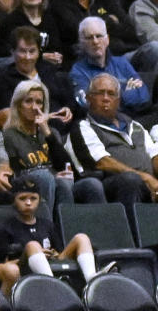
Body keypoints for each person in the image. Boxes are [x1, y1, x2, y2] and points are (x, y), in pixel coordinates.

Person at [68, 72, 158, 217]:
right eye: (99, 93)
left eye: (111, 94)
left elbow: (154, 154)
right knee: (130, 180)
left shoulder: (135, 126)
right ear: (88, 98)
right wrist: (146, 178)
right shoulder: (83, 127)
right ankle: (131, 237)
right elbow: (102, 162)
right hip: (111, 184)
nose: (105, 98)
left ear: (118, 100)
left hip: (148, 182)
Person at [2, 78, 98, 208]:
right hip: (32, 187)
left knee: (92, 184)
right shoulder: (9, 135)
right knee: (51, 180)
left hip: (59, 183)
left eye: (39, 102)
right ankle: (52, 226)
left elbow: (67, 167)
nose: (35, 107)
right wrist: (52, 176)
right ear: (18, 105)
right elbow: (16, 173)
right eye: (28, 101)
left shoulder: (51, 133)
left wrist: (47, 133)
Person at [0, 172, 102, 282]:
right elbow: (1, 264)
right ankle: (52, 283)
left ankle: (92, 278)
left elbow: (60, 253)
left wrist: (53, 254)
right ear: (14, 200)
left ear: (39, 200)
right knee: (33, 245)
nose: (28, 203)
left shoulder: (47, 224)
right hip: (24, 268)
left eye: (33, 198)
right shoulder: (6, 227)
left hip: (52, 263)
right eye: (23, 198)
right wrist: (36, 252)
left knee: (81, 238)